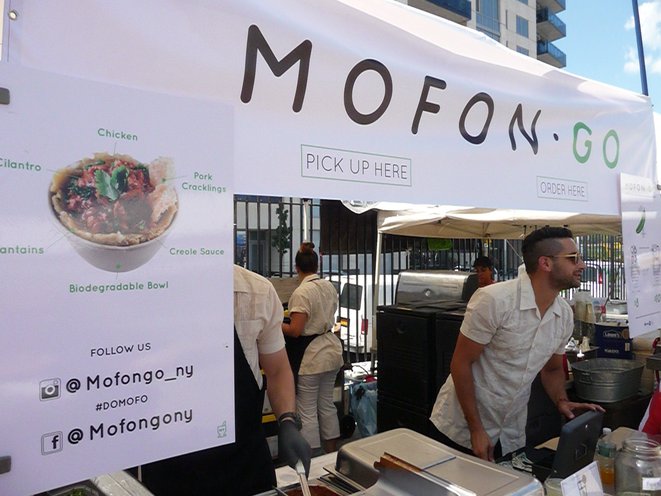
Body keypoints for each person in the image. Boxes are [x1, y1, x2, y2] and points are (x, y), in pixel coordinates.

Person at [430, 227, 604, 461]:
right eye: (574, 258)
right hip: (461, 429)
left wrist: (562, 401)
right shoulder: (495, 300)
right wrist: (476, 429)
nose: (582, 265)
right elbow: (461, 364)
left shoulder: (563, 314)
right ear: (545, 263)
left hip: (510, 432)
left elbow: (552, 369)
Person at [139, 265, 311, 495]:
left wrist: (288, 421)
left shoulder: (255, 291)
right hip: (169, 469)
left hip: (244, 468)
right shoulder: (142, 291)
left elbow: (278, 370)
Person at [282, 242, 344, 454]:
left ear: (296, 267)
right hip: (332, 351)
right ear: (316, 266)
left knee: (307, 411)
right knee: (327, 405)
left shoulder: (302, 293)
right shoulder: (328, 286)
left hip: (312, 357)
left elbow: (295, 330)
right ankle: (331, 453)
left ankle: (313, 459)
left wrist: (273, 323)